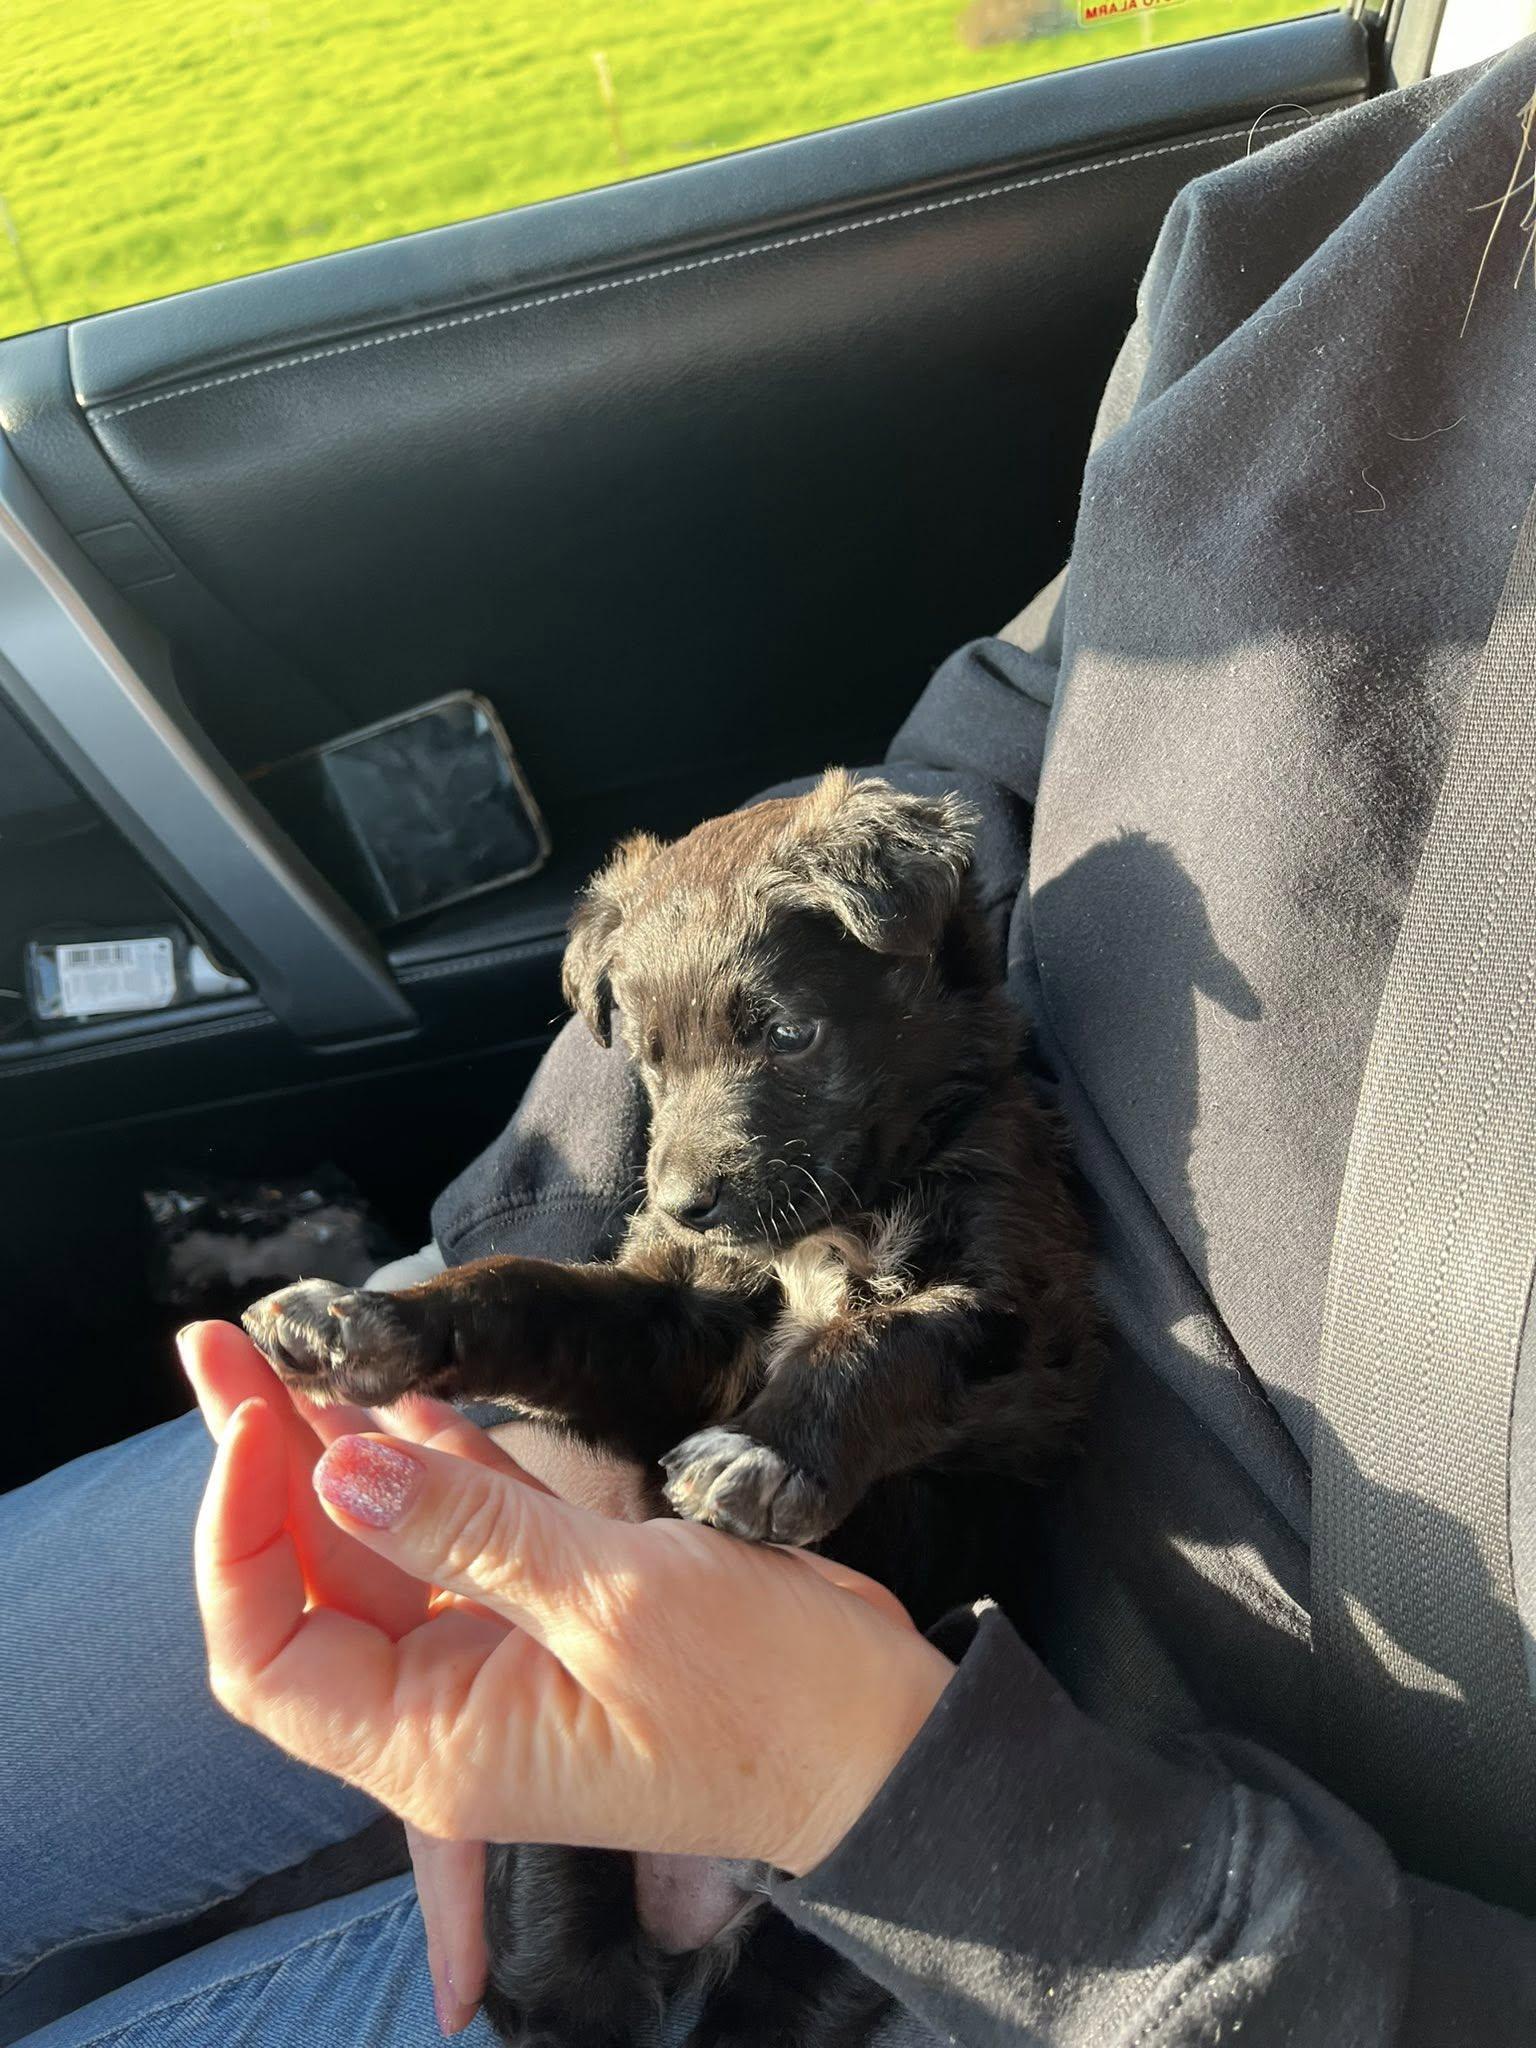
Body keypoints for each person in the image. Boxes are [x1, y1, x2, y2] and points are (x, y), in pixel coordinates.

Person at [6, 40, 1536, 2048]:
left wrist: (909, 1803)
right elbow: (998, 728)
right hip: (695, 1385)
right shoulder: (1381, 231)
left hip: (1128, 1851)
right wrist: (537, 1360)